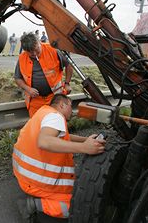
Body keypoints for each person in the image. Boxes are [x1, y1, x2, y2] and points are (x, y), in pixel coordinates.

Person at [13, 94, 106, 222]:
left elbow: (64, 136)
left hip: (24, 175)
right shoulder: (56, 117)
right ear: (62, 104)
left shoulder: (44, 112)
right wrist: (84, 148)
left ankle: (34, 198)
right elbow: (44, 141)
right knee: (79, 204)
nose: (72, 111)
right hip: (37, 182)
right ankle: (31, 204)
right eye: (70, 106)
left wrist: (85, 140)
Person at [14, 32, 73, 118]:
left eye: (36, 49)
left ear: (39, 42)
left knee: (57, 123)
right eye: (30, 52)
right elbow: (18, 78)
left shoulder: (53, 51)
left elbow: (69, 66)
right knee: (37, 125)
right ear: (25, 51)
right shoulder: (22, 58)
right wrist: (28, 89)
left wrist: (67, 83)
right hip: (35, 101)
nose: (34, 53)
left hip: (55, 98)